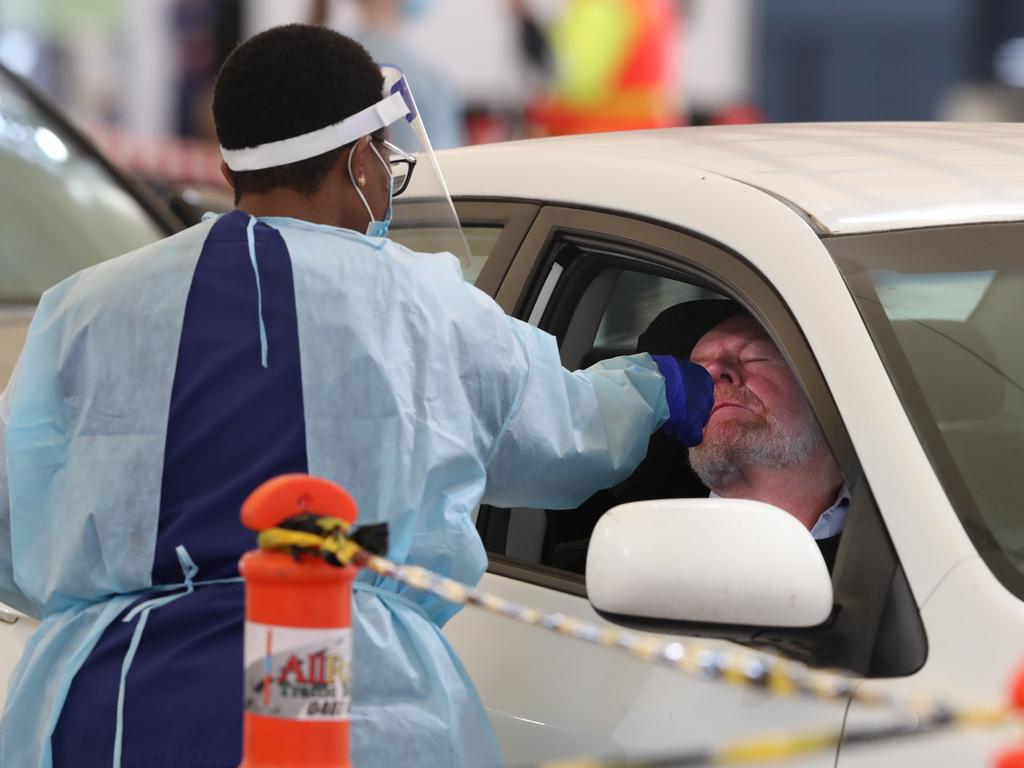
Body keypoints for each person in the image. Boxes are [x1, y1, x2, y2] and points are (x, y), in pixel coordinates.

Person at [0, 25, 713, 768]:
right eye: (384, 155)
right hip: (337, 693)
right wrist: (661, 387)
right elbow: (567, 439)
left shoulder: (83, 307)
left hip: (100, 705)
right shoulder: (424, 303)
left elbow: (13, 523)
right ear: (358, 160)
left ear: (229, 165)